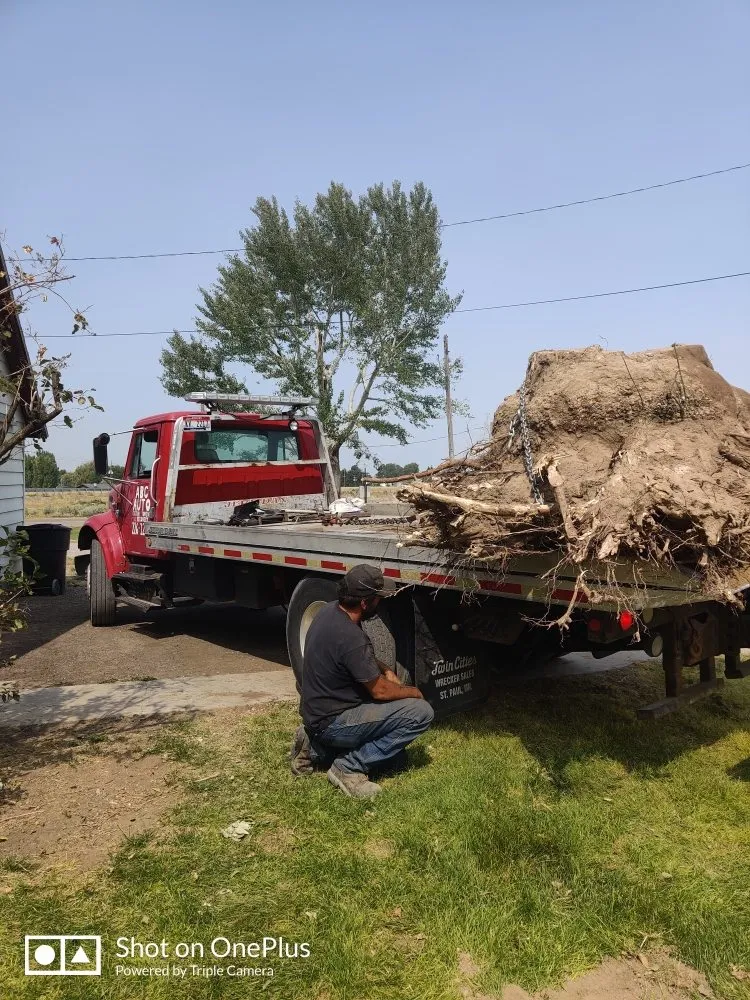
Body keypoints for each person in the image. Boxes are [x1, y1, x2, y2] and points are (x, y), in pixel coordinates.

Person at [290, 564, 434, 798]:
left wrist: (385, 668)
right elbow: (380, 692)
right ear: (365, 603)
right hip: (332, 720)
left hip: (316, 714)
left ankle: (313, 747)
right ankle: (348, 767)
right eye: (378, 598)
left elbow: (354, 658)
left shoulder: (328, 612)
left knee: (396, 759)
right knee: (420, 712)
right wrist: (412, 691)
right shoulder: (352, 637)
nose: (381, 602)